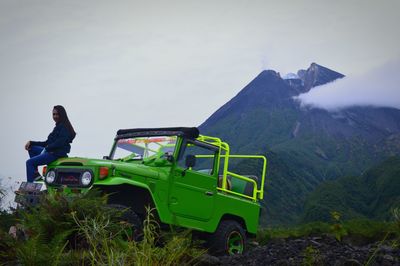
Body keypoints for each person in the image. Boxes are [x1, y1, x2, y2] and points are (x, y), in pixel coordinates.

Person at [25, 105, 76, 182]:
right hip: (50, 152)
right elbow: (46, 143)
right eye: (53, 114)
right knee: (32, 148)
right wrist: (31, 142)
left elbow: (59, 143)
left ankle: (30, 187)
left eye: (57, 114)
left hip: (56, 154)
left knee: (29, 163)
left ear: (62, 114)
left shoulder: (64, 127)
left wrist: (47, 148)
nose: (55, 116)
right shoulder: (57, 127)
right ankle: (36, 174)